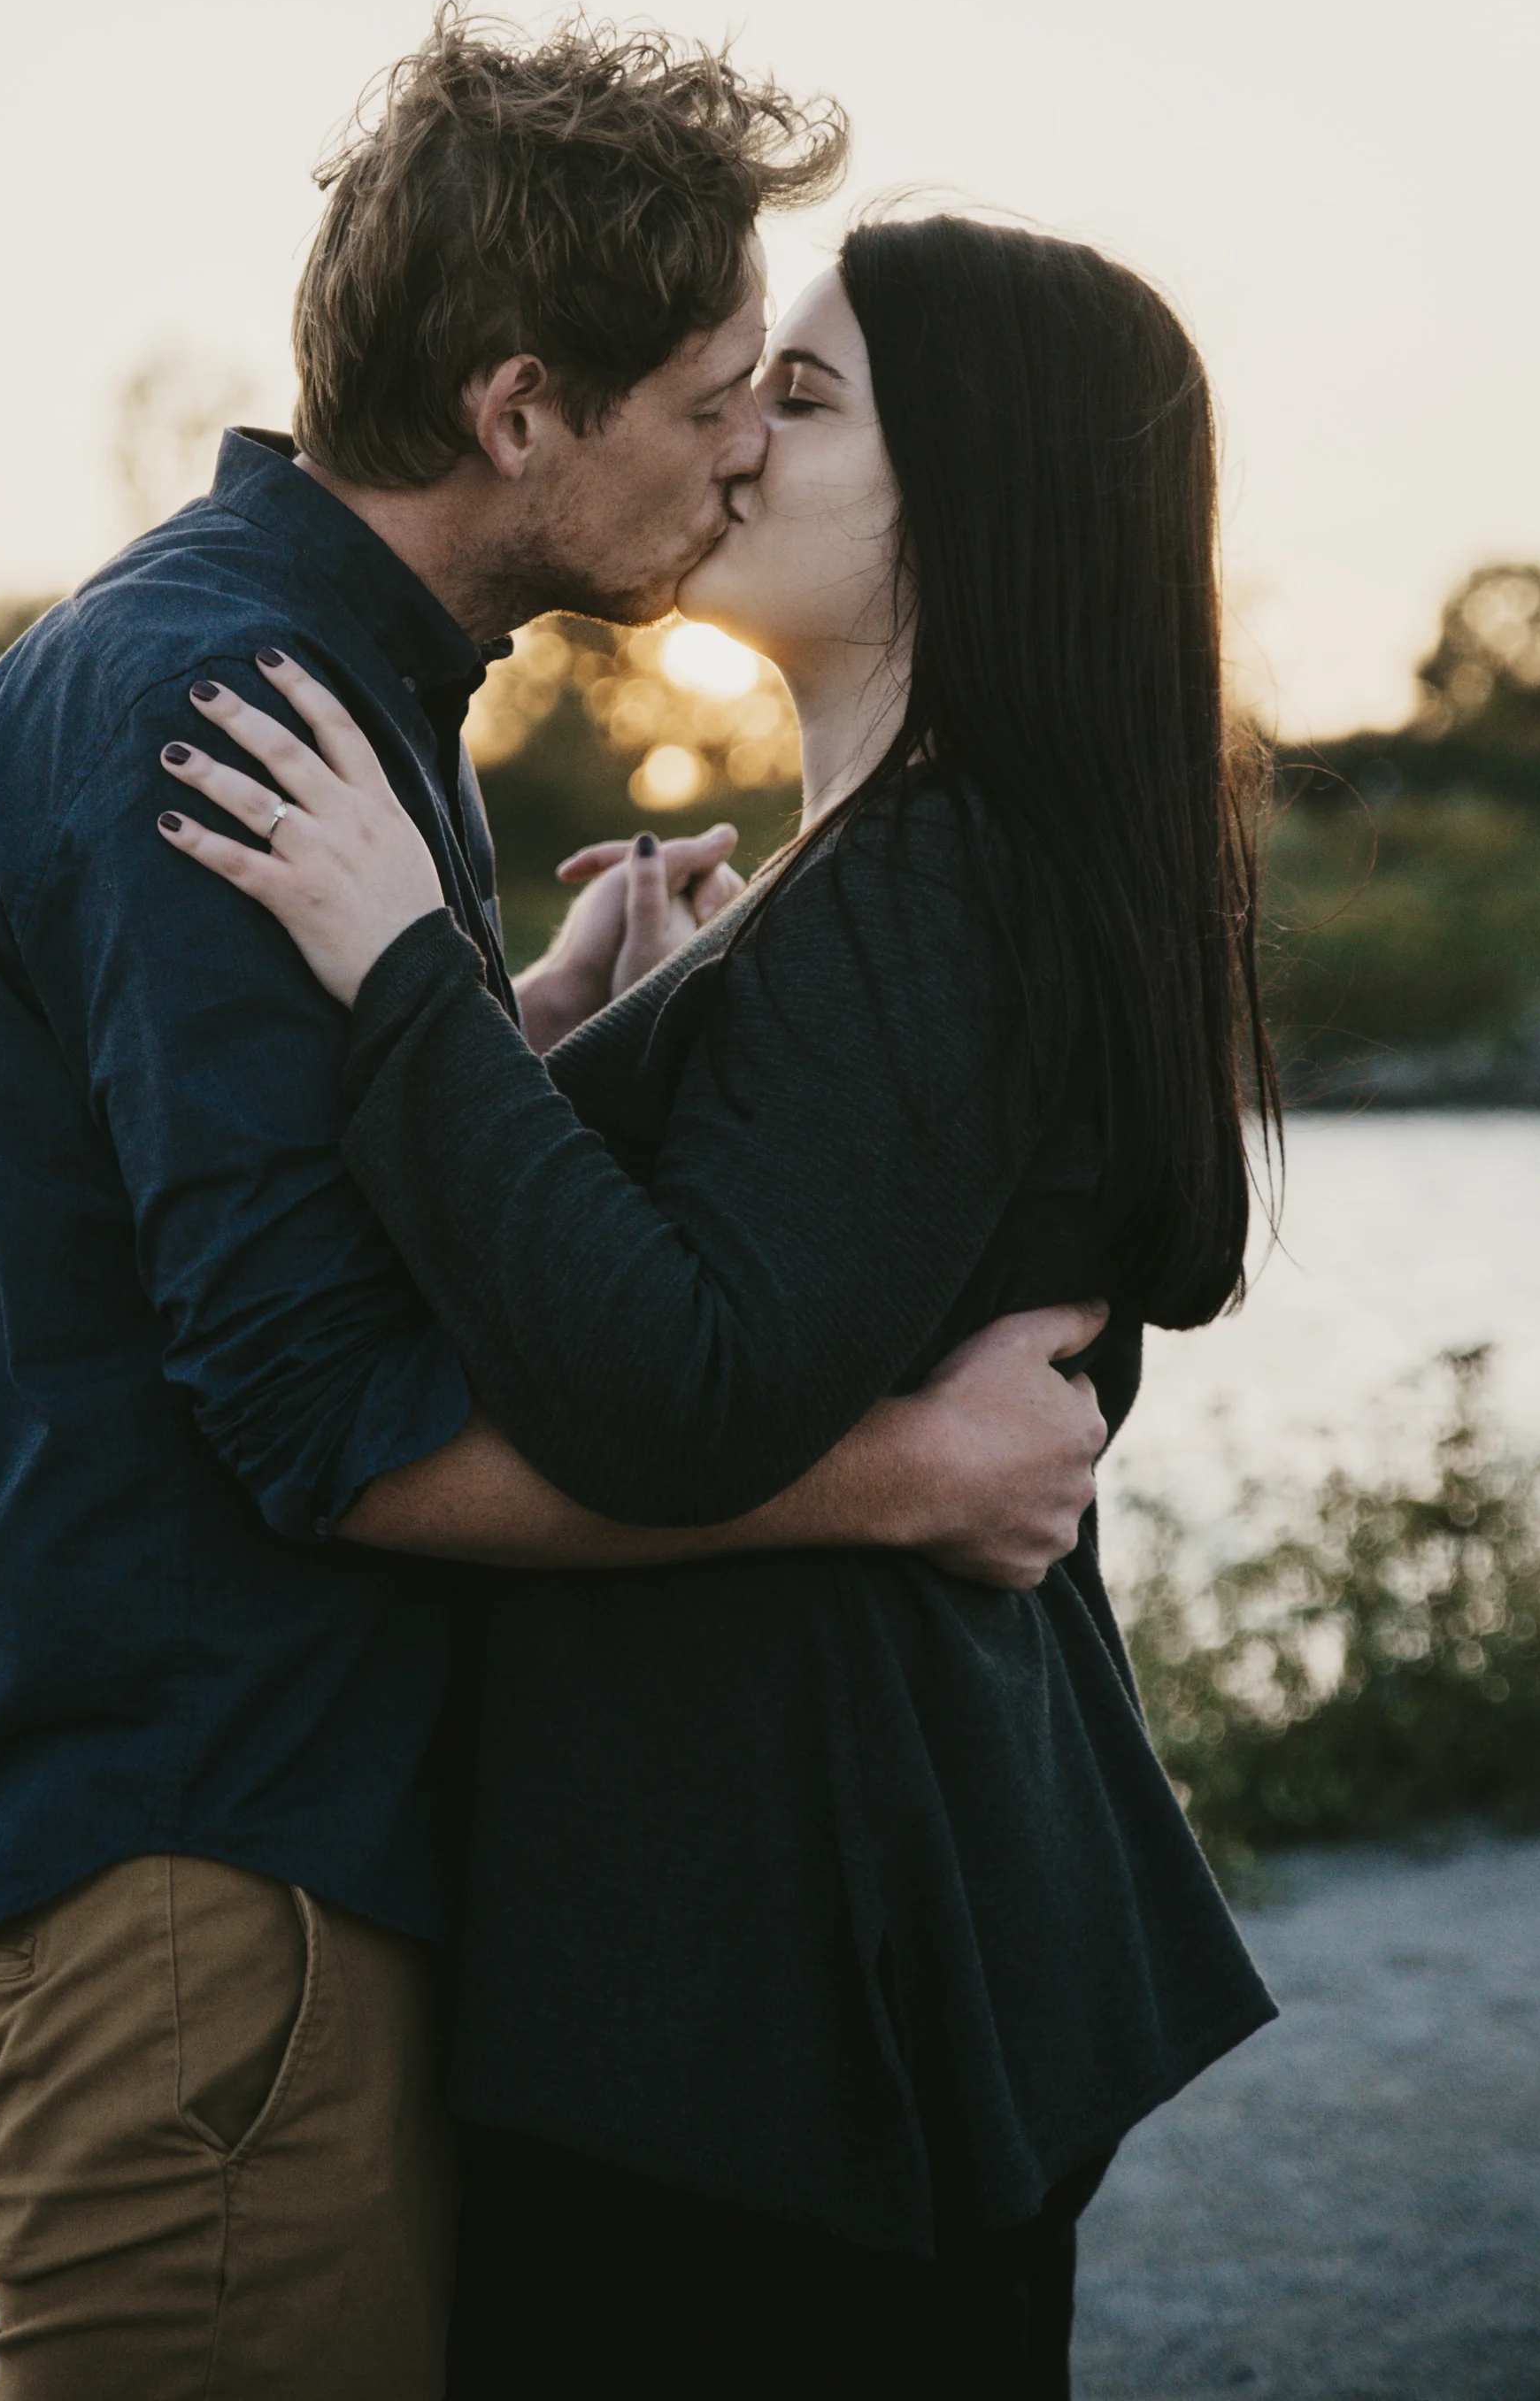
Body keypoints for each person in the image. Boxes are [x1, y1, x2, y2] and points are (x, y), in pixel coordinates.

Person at [0, 22, 1111, 2401]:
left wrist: (508, 1052)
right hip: (204, 1860)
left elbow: (243, 1237)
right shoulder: (227, 710)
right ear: (522, 410)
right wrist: (915, 1476)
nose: (747, 446)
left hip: (271, 1843)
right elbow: (329, 1418)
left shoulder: (327, 664)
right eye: (714, 392)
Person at [157, 206, 1283, 2400]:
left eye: (807, 393)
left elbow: (676, 1398)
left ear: (976, 495)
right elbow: (790, 1279)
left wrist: (414, 979)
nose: (738, 438)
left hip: (761, 1980)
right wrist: (613, 1038)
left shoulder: (930, 889)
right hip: (830, 1925)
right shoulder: (912, 874)